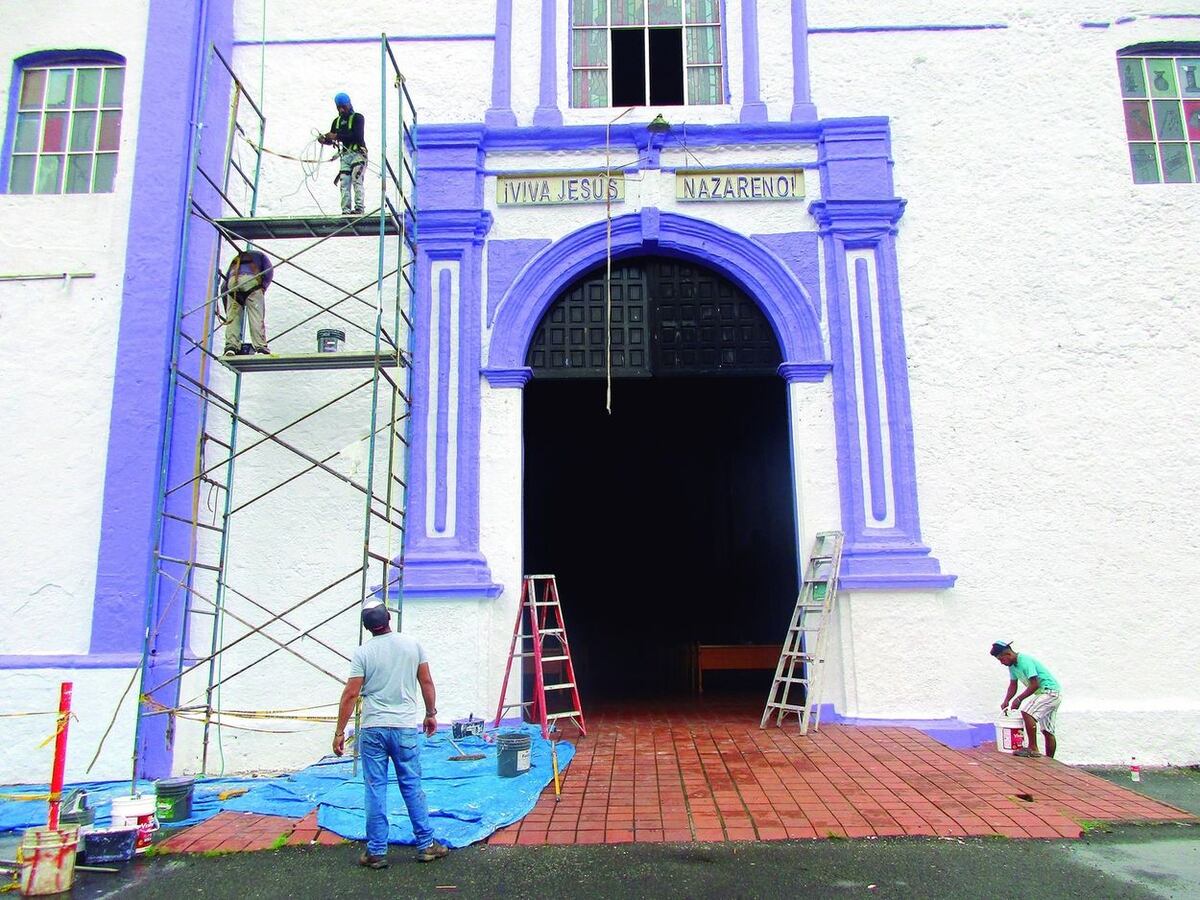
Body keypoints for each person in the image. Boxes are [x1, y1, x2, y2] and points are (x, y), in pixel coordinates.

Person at [333, 605, 449, 868]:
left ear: (367, 628)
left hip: (373, 727)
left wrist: (340, 732)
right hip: (404, 727)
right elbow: (426, 682)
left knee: (375, 788)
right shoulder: (412, 645)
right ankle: (426, 844)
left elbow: (351, 694)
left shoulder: (362, 653)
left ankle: (375, 851)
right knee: (411, 785)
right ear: (388, 620)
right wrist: (431, 713)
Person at [990, 640, 1062, 759]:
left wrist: (1018, 699)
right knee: (1047, 730)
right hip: (1046, 693)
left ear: (1008, 654)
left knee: (1027, 713)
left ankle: (1033, 748)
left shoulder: (1025, 661)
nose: (1002, 663)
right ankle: (1050, 761)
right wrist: (1007, 700)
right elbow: (1013, 685)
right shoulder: (1012, 666)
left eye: (1001, 659)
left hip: (1050, 692)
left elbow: (1035, 684)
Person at [318, 92, 367, 215]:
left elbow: (358, 136)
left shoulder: (358, 118)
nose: (341, 110)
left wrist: (336, 136)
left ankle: (359, 208)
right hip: (345, 157)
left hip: (358, 154)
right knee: (344, 182)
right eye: (339, 107)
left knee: (356, 179)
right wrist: (325, 140)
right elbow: (333, 139)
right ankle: (345, 210)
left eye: (343, 107)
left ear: (349, 104)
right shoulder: (337, 122)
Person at [222, 249, 273, 356]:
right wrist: (262, 287)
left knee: (233, 317)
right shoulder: (261, 256)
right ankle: (260, 347)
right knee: (256, 315)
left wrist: (228, 310)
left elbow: (224, 286)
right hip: (250, 280)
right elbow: (269, 272)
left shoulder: (236, 259)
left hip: (233, 283)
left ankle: (231, 347)